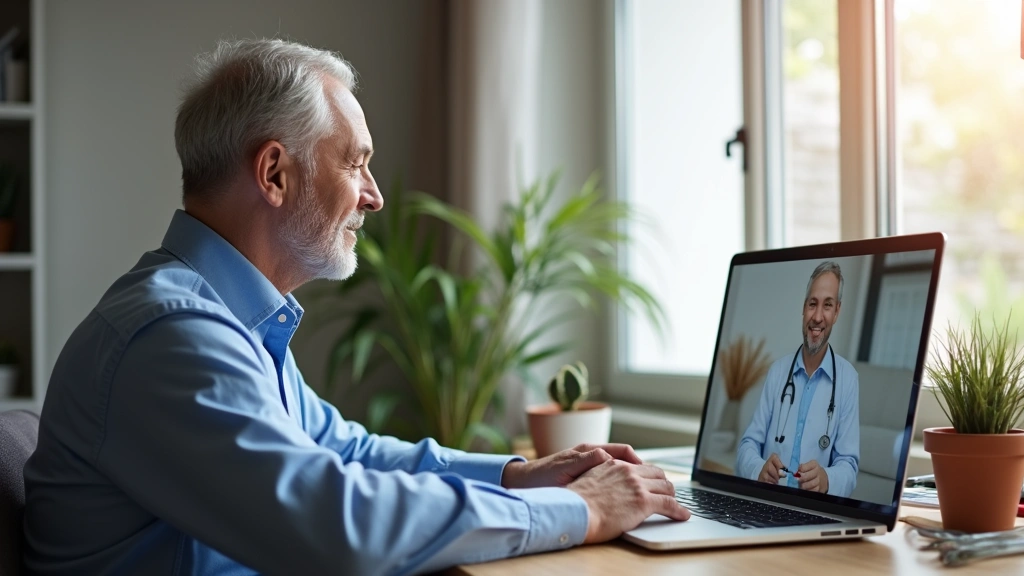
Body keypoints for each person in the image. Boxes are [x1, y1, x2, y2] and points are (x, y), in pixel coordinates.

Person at [22, 39, 690, 575]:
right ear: (275, 174)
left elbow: (349, 453)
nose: (372, 195)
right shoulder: (171, 336)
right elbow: (337, 526)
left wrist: (521, 475)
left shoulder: (224, 320)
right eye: (356, 163)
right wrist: (577, 511)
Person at [735, 261, 860, 498]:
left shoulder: (848, 379)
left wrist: (827, 480)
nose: (818, 317)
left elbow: (848, 464)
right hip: (769, 502)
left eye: (828, 305)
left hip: (813, 508)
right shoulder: (777, 372)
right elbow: (747, 445)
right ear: (804, 308)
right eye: (813, 304)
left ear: (837, 313)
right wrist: (758, 469)